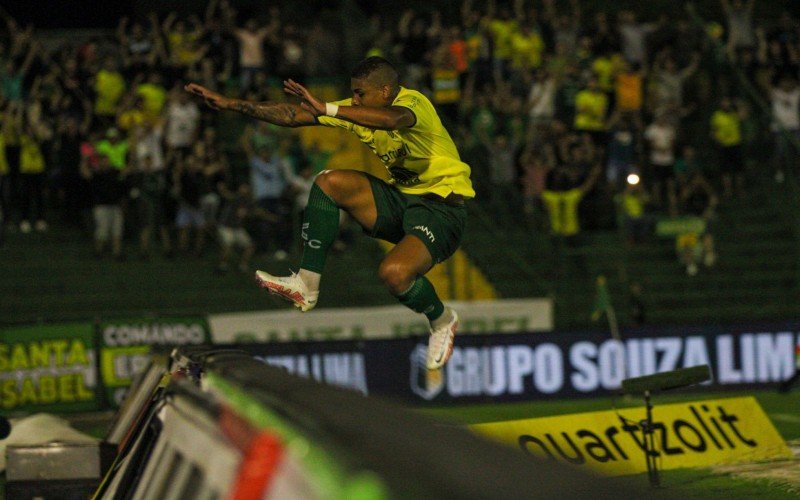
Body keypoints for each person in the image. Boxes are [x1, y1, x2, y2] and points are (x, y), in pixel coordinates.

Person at [186, 56, 474, 370]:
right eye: (353, 93)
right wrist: (231, 104)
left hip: (441, 210)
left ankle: (442, 319)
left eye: (361, 93)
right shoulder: (356, 111)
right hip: (403, 202)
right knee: (328, 182)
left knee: (394, 274)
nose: (354, 99)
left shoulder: (413, 102)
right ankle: (307, 284)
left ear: (386, 90)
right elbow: (293, 114)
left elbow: (393, 120)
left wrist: (330, 109)